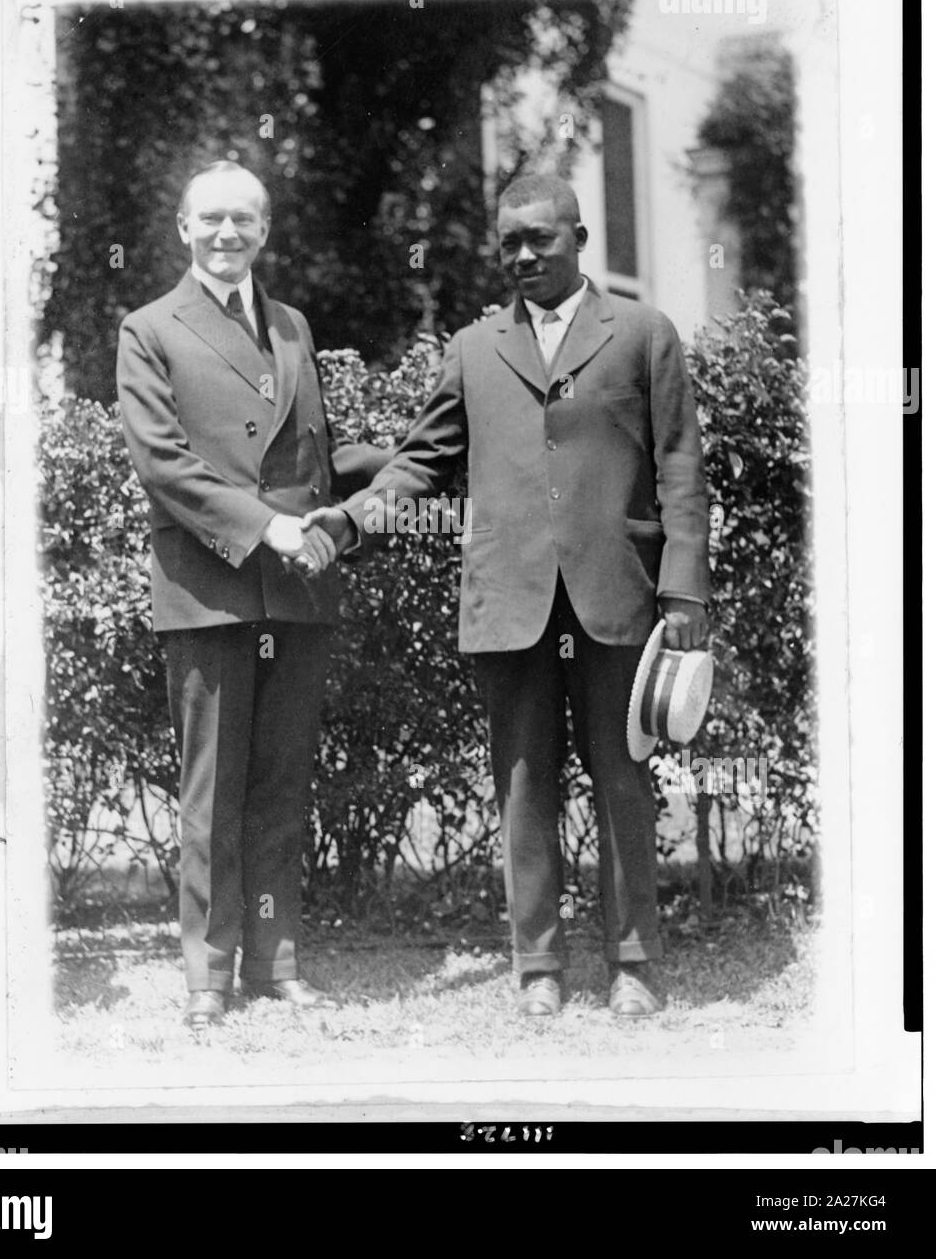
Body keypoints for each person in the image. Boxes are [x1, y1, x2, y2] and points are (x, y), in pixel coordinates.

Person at [305, 174, 710, 1018]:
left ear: (578, 239)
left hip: (618, 597)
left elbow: (679, 466)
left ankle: (632, 960)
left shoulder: (642, 333)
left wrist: (683, 588)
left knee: (623, 778)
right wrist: (348, 522)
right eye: (510, 244)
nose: (524, 256)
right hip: (509, 601)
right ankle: (538, 966)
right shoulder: (474, 347)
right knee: (523, 785)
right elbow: (421, 462)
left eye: (541, 239)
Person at [116, 161, 386, 1027]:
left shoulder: (293, 326)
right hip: (212, 587)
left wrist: (400, 473)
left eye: (245, 221)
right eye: (212, 220)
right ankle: (209, 974)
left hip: (296, 592)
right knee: (212, 790)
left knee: (278, 786)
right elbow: (163, 464)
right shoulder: (149, 328)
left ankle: (277, 962)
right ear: (182, 230)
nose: (228, 235)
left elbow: (313, 460)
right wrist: (261, 526)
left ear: (264, 232)